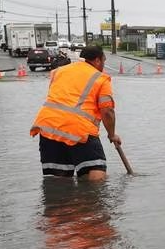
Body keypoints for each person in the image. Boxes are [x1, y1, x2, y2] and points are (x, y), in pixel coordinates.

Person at [29, 44, 122, 181]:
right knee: (96, 171)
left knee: (59, 180)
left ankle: (64, 200)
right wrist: (112, 135)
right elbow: (107, 111)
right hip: (79, 130)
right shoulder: (101, 78)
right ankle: (94, 201)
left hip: (48, 127)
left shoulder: (59, 71)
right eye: (104, 60)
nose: (103, 65)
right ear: (97, 60)